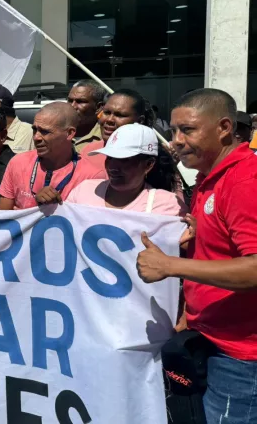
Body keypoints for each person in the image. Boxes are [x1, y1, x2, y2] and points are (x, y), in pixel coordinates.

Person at [136, 88, 257, 424]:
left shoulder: (245, 181)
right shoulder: (208, 179)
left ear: (223, 127)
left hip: (241, 357)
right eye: (174, 130)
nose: (175, 141)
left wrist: (170, 266)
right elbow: (224, 253)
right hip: (212, 340)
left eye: (187, 130)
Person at [0, 102, 106, 210]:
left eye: (44, 131)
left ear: (69, 133)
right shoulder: (18, 163)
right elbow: (2, 217)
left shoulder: (92, 176)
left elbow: (88, 222)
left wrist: (57, 208)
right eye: (35, 129)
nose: (36, 137)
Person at [67, 123, 186, 216]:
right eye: (110, 158)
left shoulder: (167, 205)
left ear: (148, 165)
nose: (113, 166)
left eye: (124, 160)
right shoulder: (84, 190)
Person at [80, 89, 152, 170]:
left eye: (120, 115)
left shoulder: (146, 156)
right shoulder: (88, 151)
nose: (110, 120)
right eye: (106, 112)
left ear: (139, 121)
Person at [68, 79, 107, 153]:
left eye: (80, 101)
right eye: (70, 101)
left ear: (98, 107)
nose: (73, 106)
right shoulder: (55, 134)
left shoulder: (107, 139)